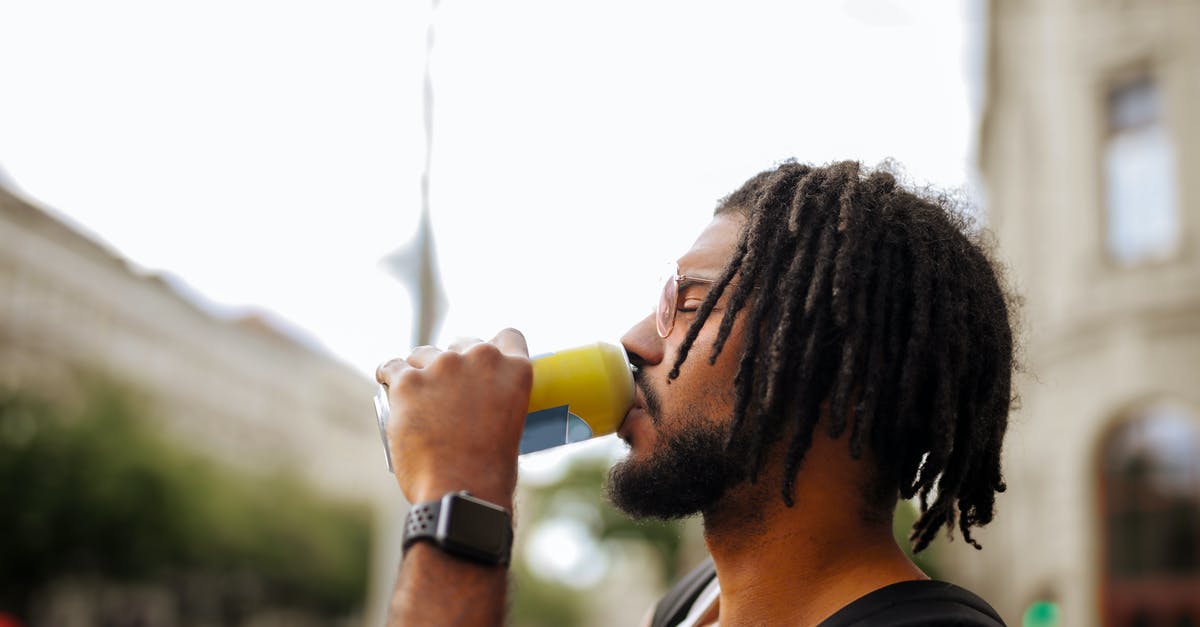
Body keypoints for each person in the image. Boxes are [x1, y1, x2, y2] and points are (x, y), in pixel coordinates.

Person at [376, 160, 1015, 626]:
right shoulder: (690, 606)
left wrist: (461, 495)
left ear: (835, 360)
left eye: (688, 304)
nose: (632, 341)